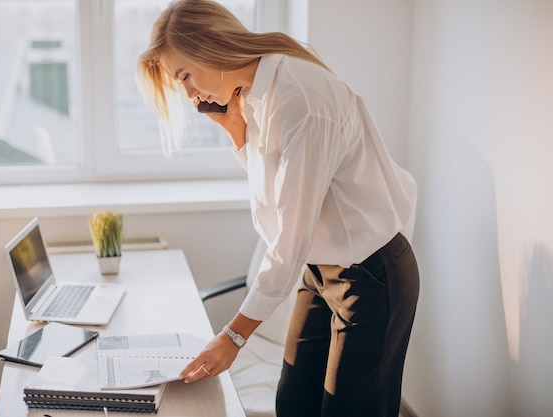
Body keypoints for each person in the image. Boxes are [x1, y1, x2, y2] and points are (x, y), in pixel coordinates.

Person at [137, 1, 419, 416]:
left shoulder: (300, 100)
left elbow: (289, 238)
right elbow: (275, 211)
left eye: (184, 76)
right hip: (320, 270)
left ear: (211, 46)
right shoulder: (253, 97)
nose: (190, 96)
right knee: (293, 405)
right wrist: (237, 132)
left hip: (371, 276)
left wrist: (233, 337)